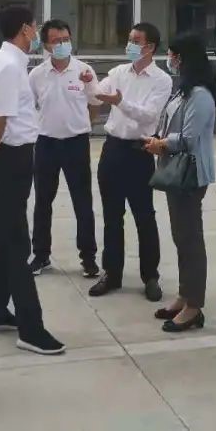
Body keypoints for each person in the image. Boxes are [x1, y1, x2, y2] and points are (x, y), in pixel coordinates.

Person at [0, 5, 65, 355]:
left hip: (5, 155)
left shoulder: (3, 62)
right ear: (25, 29)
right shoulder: (9, 66)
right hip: (10, 159)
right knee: (15, 243)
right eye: (35, 28)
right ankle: (31, 328)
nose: (37, 34)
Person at [88, 22, 173, 302]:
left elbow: (149, 116)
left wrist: (119, 102)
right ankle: (111, 273)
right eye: (129, 39)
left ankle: (150, 276)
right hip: (113, 148)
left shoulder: (161, 80)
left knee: (144, 216)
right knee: (112, 217)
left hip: (140, 150)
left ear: (150, 47)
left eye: (136, 41)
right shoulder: (117, 73)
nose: (130, 45)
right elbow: (96, 94)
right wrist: (87, 81)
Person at [143, 32, 216, 333]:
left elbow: (188, 139)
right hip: (176, 171)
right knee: (181, 237)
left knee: (190, 240)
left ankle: (194, 306)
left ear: (184, 58)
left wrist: (161, 144)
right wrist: (158, 140)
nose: (170, 59)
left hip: (190, 174)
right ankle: (185, 296)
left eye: (173, 55)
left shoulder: (200, 95)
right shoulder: (184, 91)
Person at [27, 19, 100, 278]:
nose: (62, 44)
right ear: (46, 45)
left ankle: (88, 257)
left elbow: (95, 103)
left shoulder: (84, 71)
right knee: (43, 201)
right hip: (46, 143)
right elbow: (30, 106)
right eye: (56, 41)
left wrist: (82, 125)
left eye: (66, 39)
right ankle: (41, 255)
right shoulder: (36, 75)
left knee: (83, 201)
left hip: (76, 143)